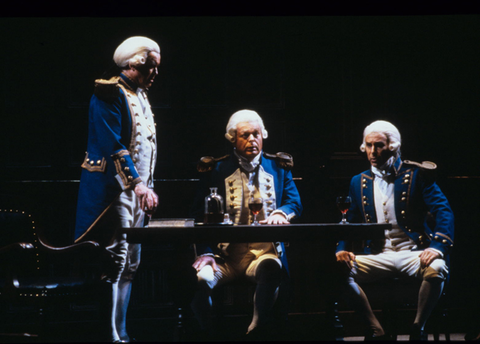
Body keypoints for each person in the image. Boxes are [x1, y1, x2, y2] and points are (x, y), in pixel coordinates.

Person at [74, 36, 160, 343]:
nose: (155, 73)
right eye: (151, 66)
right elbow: (115, 147)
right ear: (133, 64)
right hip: (114, 191)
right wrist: (138, 187)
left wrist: (145, 187)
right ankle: (109, 334)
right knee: (114, 260)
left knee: (132, 263)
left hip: (138, 192)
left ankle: (122, 331)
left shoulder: (141, 95)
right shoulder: (108, 94)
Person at [335, 120, 454, 340]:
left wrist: (437, 247)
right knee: (337, 270)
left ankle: (418, 327)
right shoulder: (357, 181)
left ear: (393, 146)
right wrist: (341, 249)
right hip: (378, 255)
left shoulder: (417, 175)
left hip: (414, 253)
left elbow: (443, 211)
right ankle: (375, 328)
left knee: (437, 267)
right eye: (368, 145)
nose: (372, 152)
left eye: (378, 145)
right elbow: (349, 223)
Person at [190, 109, 302, 338]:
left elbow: (294, 202)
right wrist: (206, 252)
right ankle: (205, 332)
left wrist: (282, 212)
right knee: (201, 279)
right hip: (225, 256)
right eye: (245, 135)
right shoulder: (216, 169)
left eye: (256, 134)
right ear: (233, 138)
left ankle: (257, 327)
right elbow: (198, 215)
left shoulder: (278, 167)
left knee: (273, 269)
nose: (252, 139)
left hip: (263, 253)